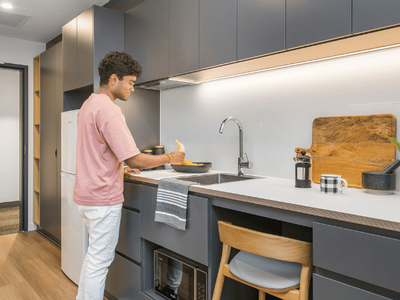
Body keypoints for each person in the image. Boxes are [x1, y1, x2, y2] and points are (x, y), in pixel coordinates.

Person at [74, 51, 185, 300]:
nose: (132, 89)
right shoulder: (110, 110)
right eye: (131, 82)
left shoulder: (88, 105)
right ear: (114, 79)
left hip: (86, 196)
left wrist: (120, 168)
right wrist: (170, 158)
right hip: (103, 199)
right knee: (99, 262)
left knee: (93, 258)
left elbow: (96, 152)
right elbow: (135, 158)